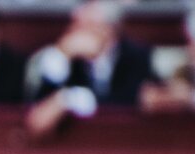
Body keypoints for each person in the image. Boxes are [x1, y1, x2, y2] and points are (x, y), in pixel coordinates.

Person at [26, 0, 156, 136]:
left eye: (86, 26)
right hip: (72, 146)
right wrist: (62, 55)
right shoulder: (73, 60)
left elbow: (132, 101)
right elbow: (41, 104)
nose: (75, 33)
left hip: (123, 142)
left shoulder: (136, 56)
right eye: (74, 25)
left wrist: (71, 99)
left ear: (108, 30)